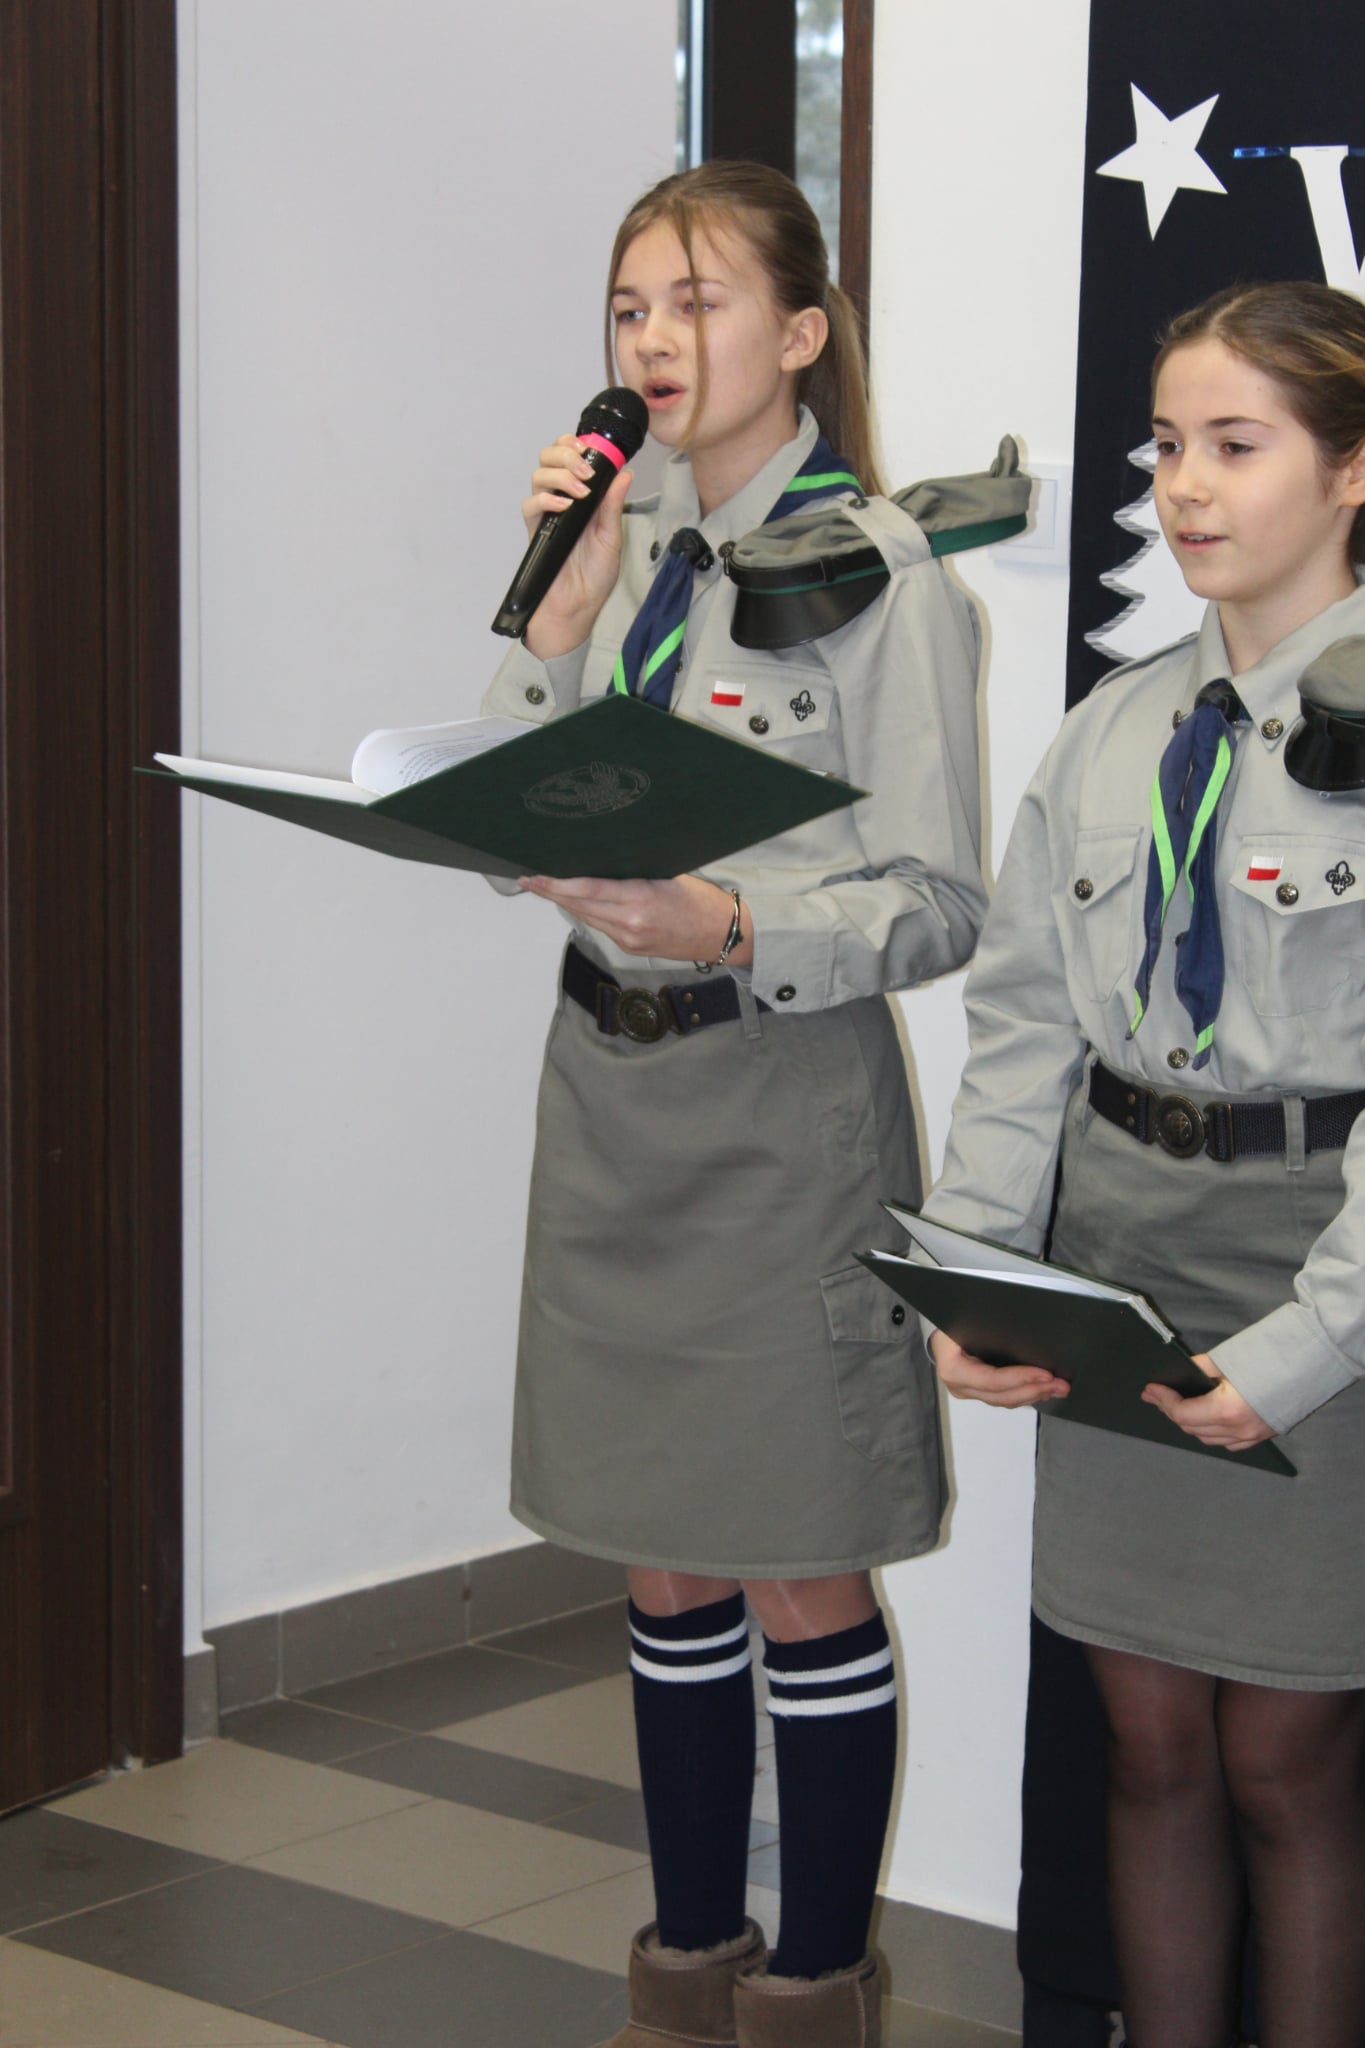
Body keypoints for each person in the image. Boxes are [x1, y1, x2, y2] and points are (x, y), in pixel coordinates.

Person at [481, 161, 988, 2048]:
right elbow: (509, 823)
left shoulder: (882, 572)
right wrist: (555, 623)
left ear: (798, 332)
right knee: (662, 1555)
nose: (653, 340)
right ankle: (685, 1967)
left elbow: (937, 899)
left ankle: (811, 1987)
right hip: (608, 1098)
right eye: (629, 307)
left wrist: (737, 923)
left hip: (779, 1110)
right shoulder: (612, 546)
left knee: (793, 1562)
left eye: (695, 302)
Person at [924, 280, 1365, 2048]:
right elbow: (1025, 1023)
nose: (1182, 484)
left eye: (1234, 445)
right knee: (1150, 1745)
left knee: (1285, 1763)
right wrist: (971, 1274)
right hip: (1125, 1256)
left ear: (1352, 470)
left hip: (1322, 1270)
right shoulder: (1113, 728)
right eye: (1166, 445)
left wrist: (1301, 1354)